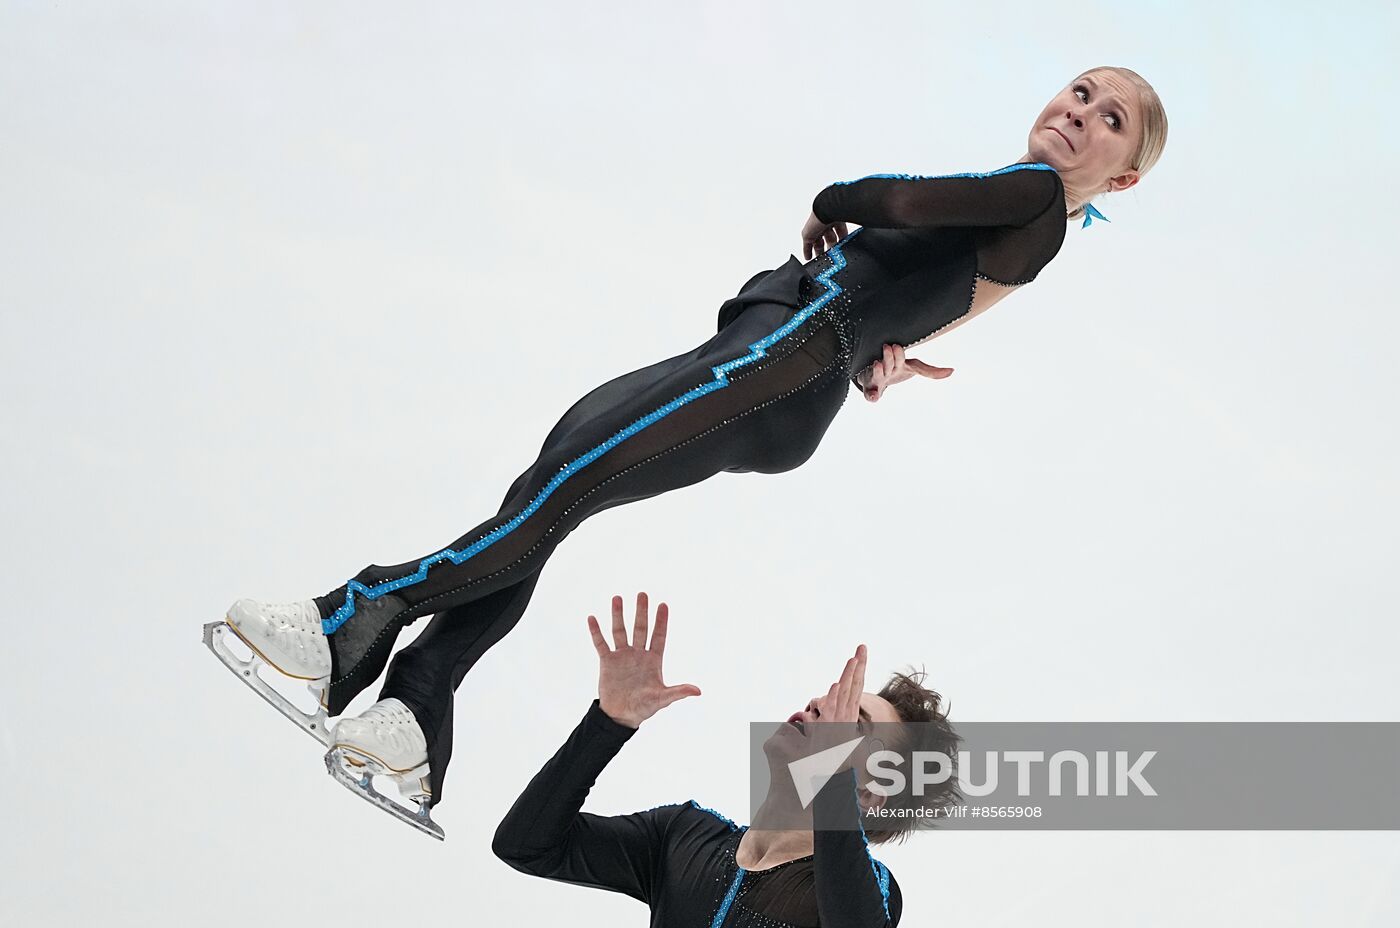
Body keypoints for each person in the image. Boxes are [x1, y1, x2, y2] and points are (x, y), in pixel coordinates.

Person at [205, 66, 1168, 834]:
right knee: (553, 478)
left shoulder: (1035, 196)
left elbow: (903, 201)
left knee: (562, 485)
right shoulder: (1033, 229)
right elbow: (937, 315)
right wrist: (886, 364)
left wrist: (831, 198)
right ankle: (416, 708)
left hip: (780, 361)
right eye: (1081, 91)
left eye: (1111, 118)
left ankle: (352, 617)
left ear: (1120, 176)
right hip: (779, 367)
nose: (1082, 112)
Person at [491, 592, 959, 928]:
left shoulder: (870, 894)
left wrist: (830, 771)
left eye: (851, 722)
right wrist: (609, 723)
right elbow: (526, 845)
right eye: (831, 699)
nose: (821, 705)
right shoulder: (682, 837)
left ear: (873, 791)